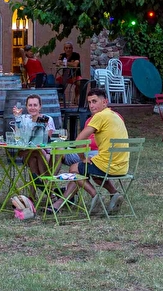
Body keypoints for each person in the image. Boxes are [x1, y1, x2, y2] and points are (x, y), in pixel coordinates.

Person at [49, 88, 128, 216]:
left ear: (105, 102)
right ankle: (114, 193)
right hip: (122, 166)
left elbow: (78, 141)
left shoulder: (99, 116)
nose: (91, 105)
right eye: (89, 102)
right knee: (93, 172)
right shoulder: (115, 116)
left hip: (107, 165)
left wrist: (83, 158)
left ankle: (95, 195)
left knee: (74, 169)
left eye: (94, 101)